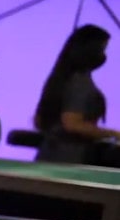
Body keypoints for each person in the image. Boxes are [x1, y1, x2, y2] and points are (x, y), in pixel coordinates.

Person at [34, 24, 119, 164]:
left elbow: (38, 121)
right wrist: (113, 134)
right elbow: (72, 124)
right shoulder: (80, 82)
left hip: (48, 155)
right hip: (71, 159)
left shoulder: (58, 79)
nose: (104, 56)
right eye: (103, 50)